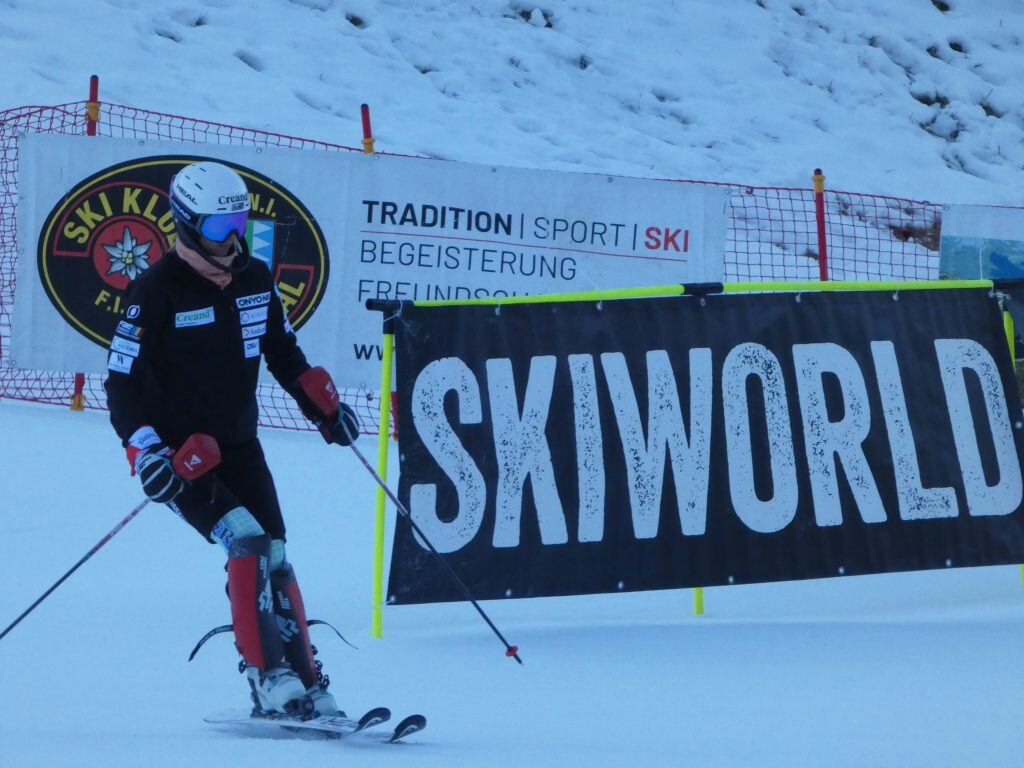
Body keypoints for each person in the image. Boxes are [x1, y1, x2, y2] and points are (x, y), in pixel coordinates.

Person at [104, 160, 360, 717]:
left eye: (239, 222)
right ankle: (267, 677)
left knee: (277, 554)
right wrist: (146, 452)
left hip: (240, 445)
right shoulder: (154, 291)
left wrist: (325, 411)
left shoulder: (255, 279)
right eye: (221, 228)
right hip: (182, 459)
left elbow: (285, 355)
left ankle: (307, 680)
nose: (233, 238)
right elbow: (120, 386)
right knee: (245, 541)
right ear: (190, 224)